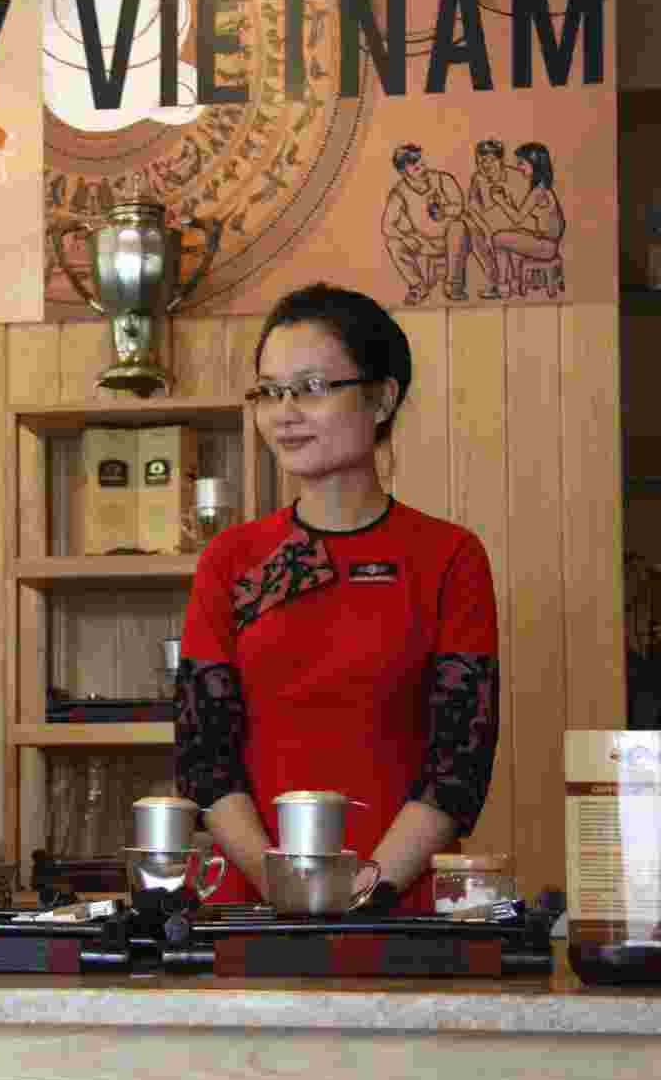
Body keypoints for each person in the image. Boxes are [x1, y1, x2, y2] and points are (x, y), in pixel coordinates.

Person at [175, 283, 500, 914]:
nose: (284, 412)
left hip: (402, 914)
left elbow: (459, 763)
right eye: (270, 391)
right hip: (254, 914)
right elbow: (203, 756)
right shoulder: (230, 562)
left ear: (382, 397)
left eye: (312, 387)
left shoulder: (450, 557)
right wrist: (280, 884)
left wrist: (367, 888)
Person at [382, 144, 469, 304]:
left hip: (451, 239)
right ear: (403, 172)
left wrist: (444, 210)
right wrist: (407, 237)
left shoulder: (443, 179)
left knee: (458, 226)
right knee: (394, 244)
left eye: (422, 164)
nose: (422, 170)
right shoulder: (399, 192)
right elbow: (387, 226)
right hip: (424, 241)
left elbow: (459, 207)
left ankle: (452, 285)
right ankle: (418, 286)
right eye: (415, 168)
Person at [489, 141, 566, 299]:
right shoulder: (543, 187)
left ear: (534, 164)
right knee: (512, 234)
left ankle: (503, 286)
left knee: (498, 238)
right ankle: (515, 283)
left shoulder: (539, 191)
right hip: (548, 242)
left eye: (522, 163)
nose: (519, 167)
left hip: (546, 246)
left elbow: (518, 218)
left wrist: (500, 201)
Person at [465, 139, 530, 300]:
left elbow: (522, 213)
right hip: (489, 224)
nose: (484, 166)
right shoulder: (477, 178)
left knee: (505, 240)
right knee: (472, 230)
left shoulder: (516, 176)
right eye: (480, 162)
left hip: (513, 224)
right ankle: (494, 281)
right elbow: (472, 207)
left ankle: (511, 281)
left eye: (489, 161)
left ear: (500, 160)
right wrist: (486, 230)